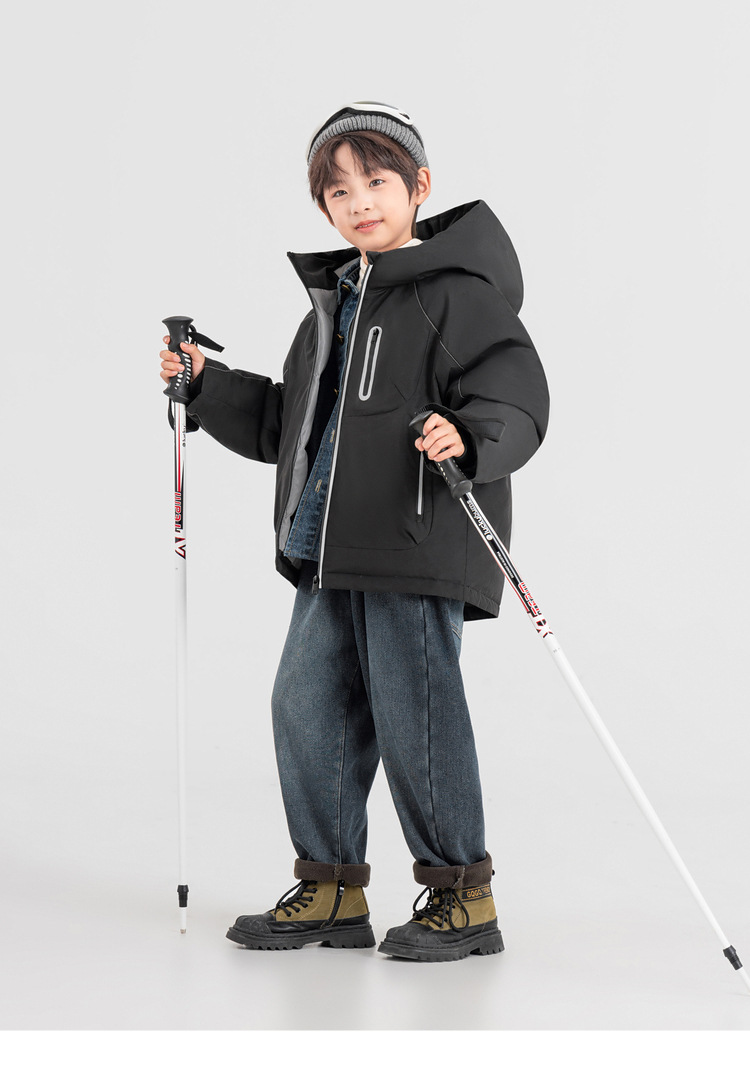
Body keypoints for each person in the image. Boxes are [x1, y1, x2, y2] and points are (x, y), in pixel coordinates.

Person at [159, 102, 549, 962]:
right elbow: (287, 425)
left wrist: (470, 435)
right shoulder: (333, 306)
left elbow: (515, 393)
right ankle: (333, 887)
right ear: (323, 207)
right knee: (305, 703)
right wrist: (207, 383)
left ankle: (463, 896)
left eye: (376, 180)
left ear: (419, 185)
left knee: (417, 713)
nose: (359, 201)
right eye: (338, 190)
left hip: (413, 540)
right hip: (328, 546)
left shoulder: (456, 294)